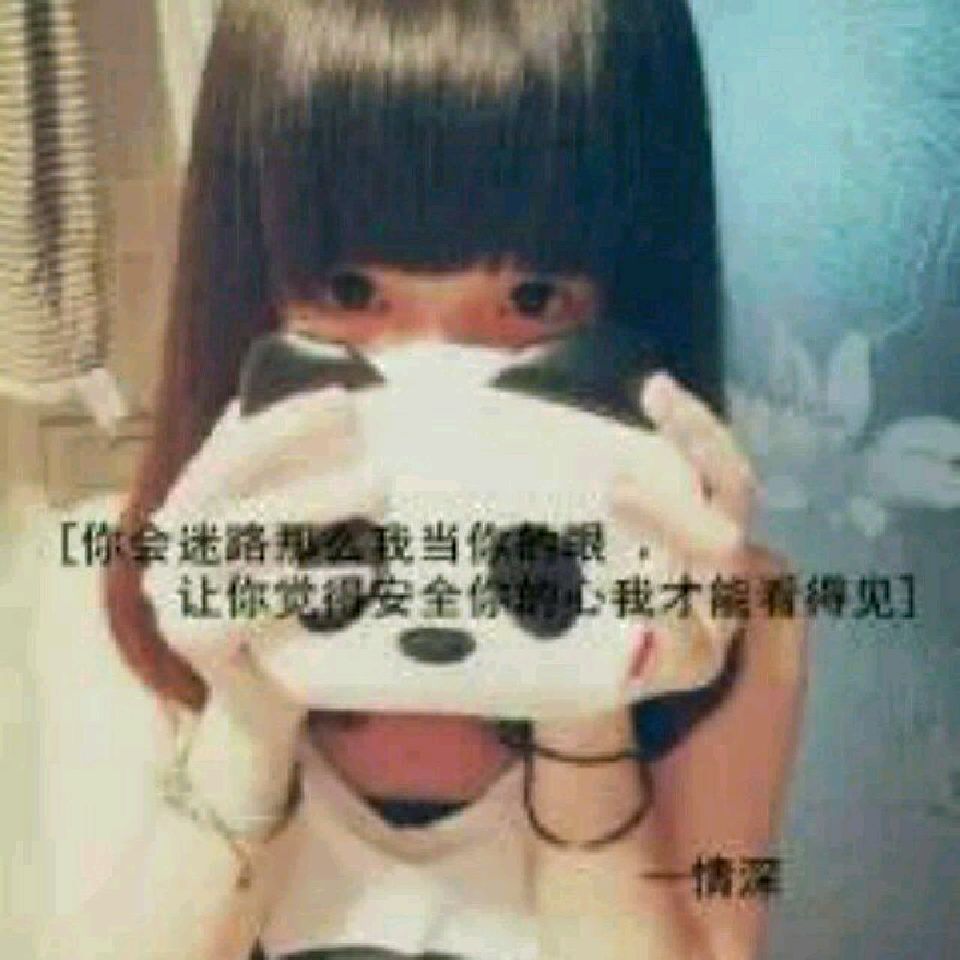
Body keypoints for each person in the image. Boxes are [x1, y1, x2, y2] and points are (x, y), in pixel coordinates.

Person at [55, 1, 807, 958]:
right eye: (350, 292)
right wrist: (245, 716)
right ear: (249, 279)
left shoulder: (733, 613)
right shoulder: (132, 582)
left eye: (532, 298)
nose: (439, 380)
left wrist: (589, 701)